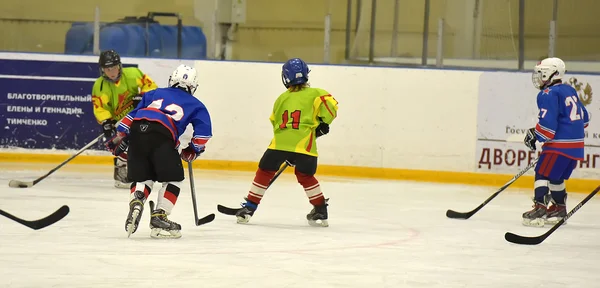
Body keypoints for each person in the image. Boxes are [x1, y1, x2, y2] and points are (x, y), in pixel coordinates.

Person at [105, 64, 212, 239]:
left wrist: (121, 136)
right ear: (193, 87)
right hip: (163, 135)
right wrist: (192, 150)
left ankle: (137, 200)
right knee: (174, 179)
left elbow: (130, 118)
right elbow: (203, 135)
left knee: (143, 177)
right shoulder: (197, 105)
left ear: (172, 80)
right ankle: (159, 215)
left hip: (138, 131)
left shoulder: (154, 93)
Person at [233, 58, 338, 227]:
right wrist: (321, 125)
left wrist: (288, 147)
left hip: (279, 144)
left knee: (265, 171)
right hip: (305, 146)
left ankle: (249, 208)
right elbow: (331, 109)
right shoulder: (318, 94)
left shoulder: (281, 98)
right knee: (305, 176)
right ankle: (320, 210)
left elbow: (275, 122)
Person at [522, 57, 589, 227]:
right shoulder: (569, 90)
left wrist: (534, 135)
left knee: (542, 173)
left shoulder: (548, 94)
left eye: (541, 73)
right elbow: (585, 120)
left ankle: (540, 208)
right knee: (556, 178)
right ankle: (559, 209)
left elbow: (548, 127)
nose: (538, 77)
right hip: (576, 147)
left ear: (550, 73)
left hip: (559, 146)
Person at [92, 49, 158, 189]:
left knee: (143, 141)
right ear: (102, 70)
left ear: (119, 66)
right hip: (117, 122)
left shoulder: (133, 74)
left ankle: (141, 171)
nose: (111, 72)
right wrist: (106, 121)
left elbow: (150, 85)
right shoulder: (99, 86)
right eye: (107, 69)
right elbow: (99, 107)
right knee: (122, 144)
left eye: (114, 67)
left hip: (135, 116)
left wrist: (143, 97)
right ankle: (121, 173)